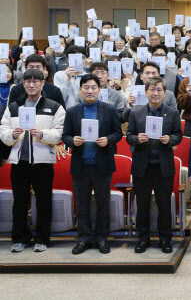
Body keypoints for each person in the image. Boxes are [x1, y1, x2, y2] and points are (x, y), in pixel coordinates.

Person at [0, 69, 65, 253]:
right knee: (19, 202)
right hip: (19, 162)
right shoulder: (13, 106)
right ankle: (20, 238)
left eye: (36, 81)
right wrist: (11, 134)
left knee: (44, 201)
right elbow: (2, 130)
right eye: (28, 81)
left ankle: (42, 238)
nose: (31, 84)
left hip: (43, 162)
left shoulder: (53, 106)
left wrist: (42, 134)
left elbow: (59, 132)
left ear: (43, 83)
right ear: (23, 84)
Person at [62, 74, 123, 255]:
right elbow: (65, 136)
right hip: (81, 165)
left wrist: (108, 140)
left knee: (103, 204)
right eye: (86, 87)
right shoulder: (72, 111)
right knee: (82, 204)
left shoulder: (109, 109)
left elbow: (118, 133)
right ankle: (84, 238)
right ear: (80, 90)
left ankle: (102, 238)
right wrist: (73, 141)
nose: (90, 91)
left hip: (102, 165)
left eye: (93, 87)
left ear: (99, 90)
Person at [127, 76, 183, 254]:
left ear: (164, 93)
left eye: (159, 90)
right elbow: (128, 135)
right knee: (142, 205)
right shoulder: (136, 112)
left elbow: (178, 135)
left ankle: (165, 240)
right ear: (146, 92)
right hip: (142, 167)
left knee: (164, 205)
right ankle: (143, 239)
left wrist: (170, 140)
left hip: (163, 167)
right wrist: (137, 139)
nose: (155, 93)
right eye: (152, 89)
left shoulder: (172, 113)